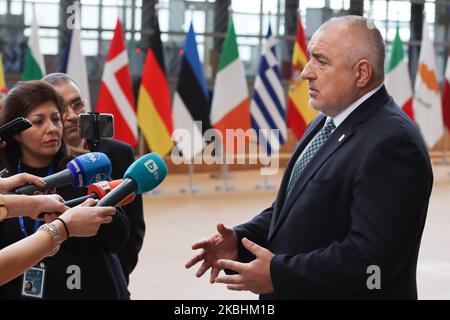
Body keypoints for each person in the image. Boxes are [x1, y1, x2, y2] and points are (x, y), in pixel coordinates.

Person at [186, 16, 433, 299]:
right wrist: (239, 241)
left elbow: (371, 263)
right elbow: (293, 207)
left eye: (321, 61)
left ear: (361, 73)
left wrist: (279, 274)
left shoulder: (394, 144)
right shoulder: (326, 120)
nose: (305, 72)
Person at [0, 80, 130, 299]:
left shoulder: (86, 167)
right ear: (15, 132)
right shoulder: (6, 180)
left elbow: (119, 239)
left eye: (55, 118)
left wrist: (105, 211)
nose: (52, 129)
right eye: (38, 122)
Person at [42, 73, 145, 285]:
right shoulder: (39, 160)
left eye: (77, 104)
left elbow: (134, 227)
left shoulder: (118, 153)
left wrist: (119, 272)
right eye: (61, 108)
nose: (71, 115)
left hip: (105, 277)